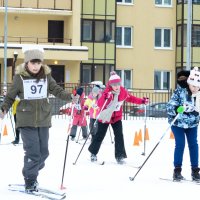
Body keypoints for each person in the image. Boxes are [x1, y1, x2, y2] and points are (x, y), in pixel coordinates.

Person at [1, 45, 72, 193]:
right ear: (27, 63)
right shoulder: (19, 77)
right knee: (33, 153)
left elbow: (57, 90)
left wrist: (71, 97)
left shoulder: (46, 77)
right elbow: (10, 96)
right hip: (26, 120)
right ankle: (30, 180)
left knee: (44, 153)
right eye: (33, 63)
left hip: (43, 119)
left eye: (38, 63)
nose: (36, 66)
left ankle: (29, 170)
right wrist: (4, 108)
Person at [88, 71, 149, 164]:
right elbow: (99, 104)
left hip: (116, 118)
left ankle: (120, 156)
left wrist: (142, 101)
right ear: (110, 85)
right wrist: (105, 97)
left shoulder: (123, 92)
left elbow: (131, 98)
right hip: (105, 117)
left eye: (118, 84)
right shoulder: (107, 93)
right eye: (114, 84)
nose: (116, 86)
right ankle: (93, 153)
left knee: (119, 135)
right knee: (100, 135)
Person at [166, 67, 200, 182]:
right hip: (178, 123)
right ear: (189, 83)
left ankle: (195, 171)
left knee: (193, 145)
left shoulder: (199, 94)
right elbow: (169, 106)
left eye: (197, 86)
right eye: (193, 86)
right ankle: (177, 171)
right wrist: (177, 109)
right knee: (180, 144)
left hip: (192, 124)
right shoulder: (180, 91)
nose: (195, 88)